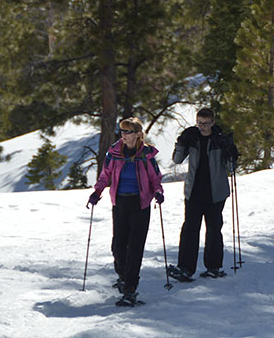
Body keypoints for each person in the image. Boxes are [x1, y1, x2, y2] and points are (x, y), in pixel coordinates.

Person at [87, 117, 164, 306]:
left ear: (138, 134)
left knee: (135, 248)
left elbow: (156, 179)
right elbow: (105, 176)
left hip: (140, 204)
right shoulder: (114, 153)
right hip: (120, 202)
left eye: (127, 132)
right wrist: (97, 192)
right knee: (118, 246)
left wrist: (158, 192)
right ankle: (123, 276)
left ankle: (130, 290)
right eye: (122, 131)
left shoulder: (146, 155)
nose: (123, 135)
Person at [167, 108, 238, 281]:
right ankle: (185, 268)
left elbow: (231, 168)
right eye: (199, 123)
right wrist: (181, 142)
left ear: (213, 122)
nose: (203, 127)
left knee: (214, 229)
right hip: (194, 191)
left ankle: (214, 267)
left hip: (216, 192)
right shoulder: (193, 138)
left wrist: (231, 152)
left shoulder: (219, 140)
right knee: (190, 228)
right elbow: (177, 160)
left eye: (206, 124)